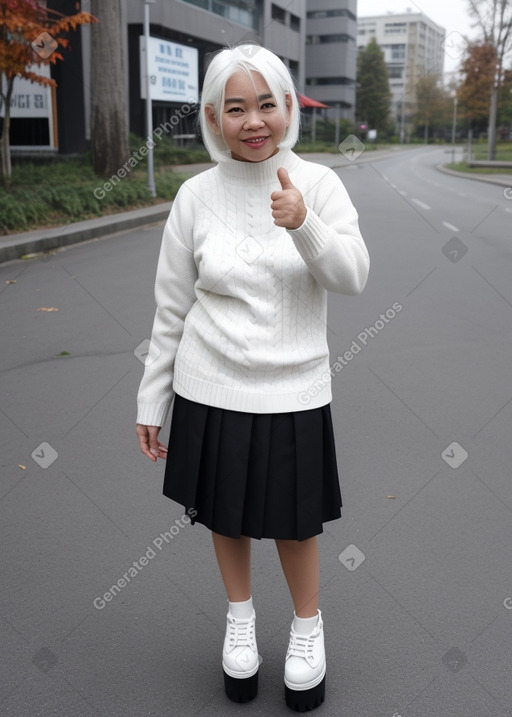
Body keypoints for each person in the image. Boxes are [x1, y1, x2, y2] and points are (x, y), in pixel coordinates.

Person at [136, 43, 370, 712]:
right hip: (210, 384)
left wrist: (307, 227)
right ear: (213, 117)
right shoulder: (194, 196)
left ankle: (307, 628)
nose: (253, 120)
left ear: (289, 107)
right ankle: (240, 619)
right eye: (235, 107)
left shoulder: (317, 184)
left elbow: (352, 275)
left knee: (296, 524)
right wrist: (152, 396)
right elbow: (172, 305)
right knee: (225, 513)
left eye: (266, 103)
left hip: (294, 387)